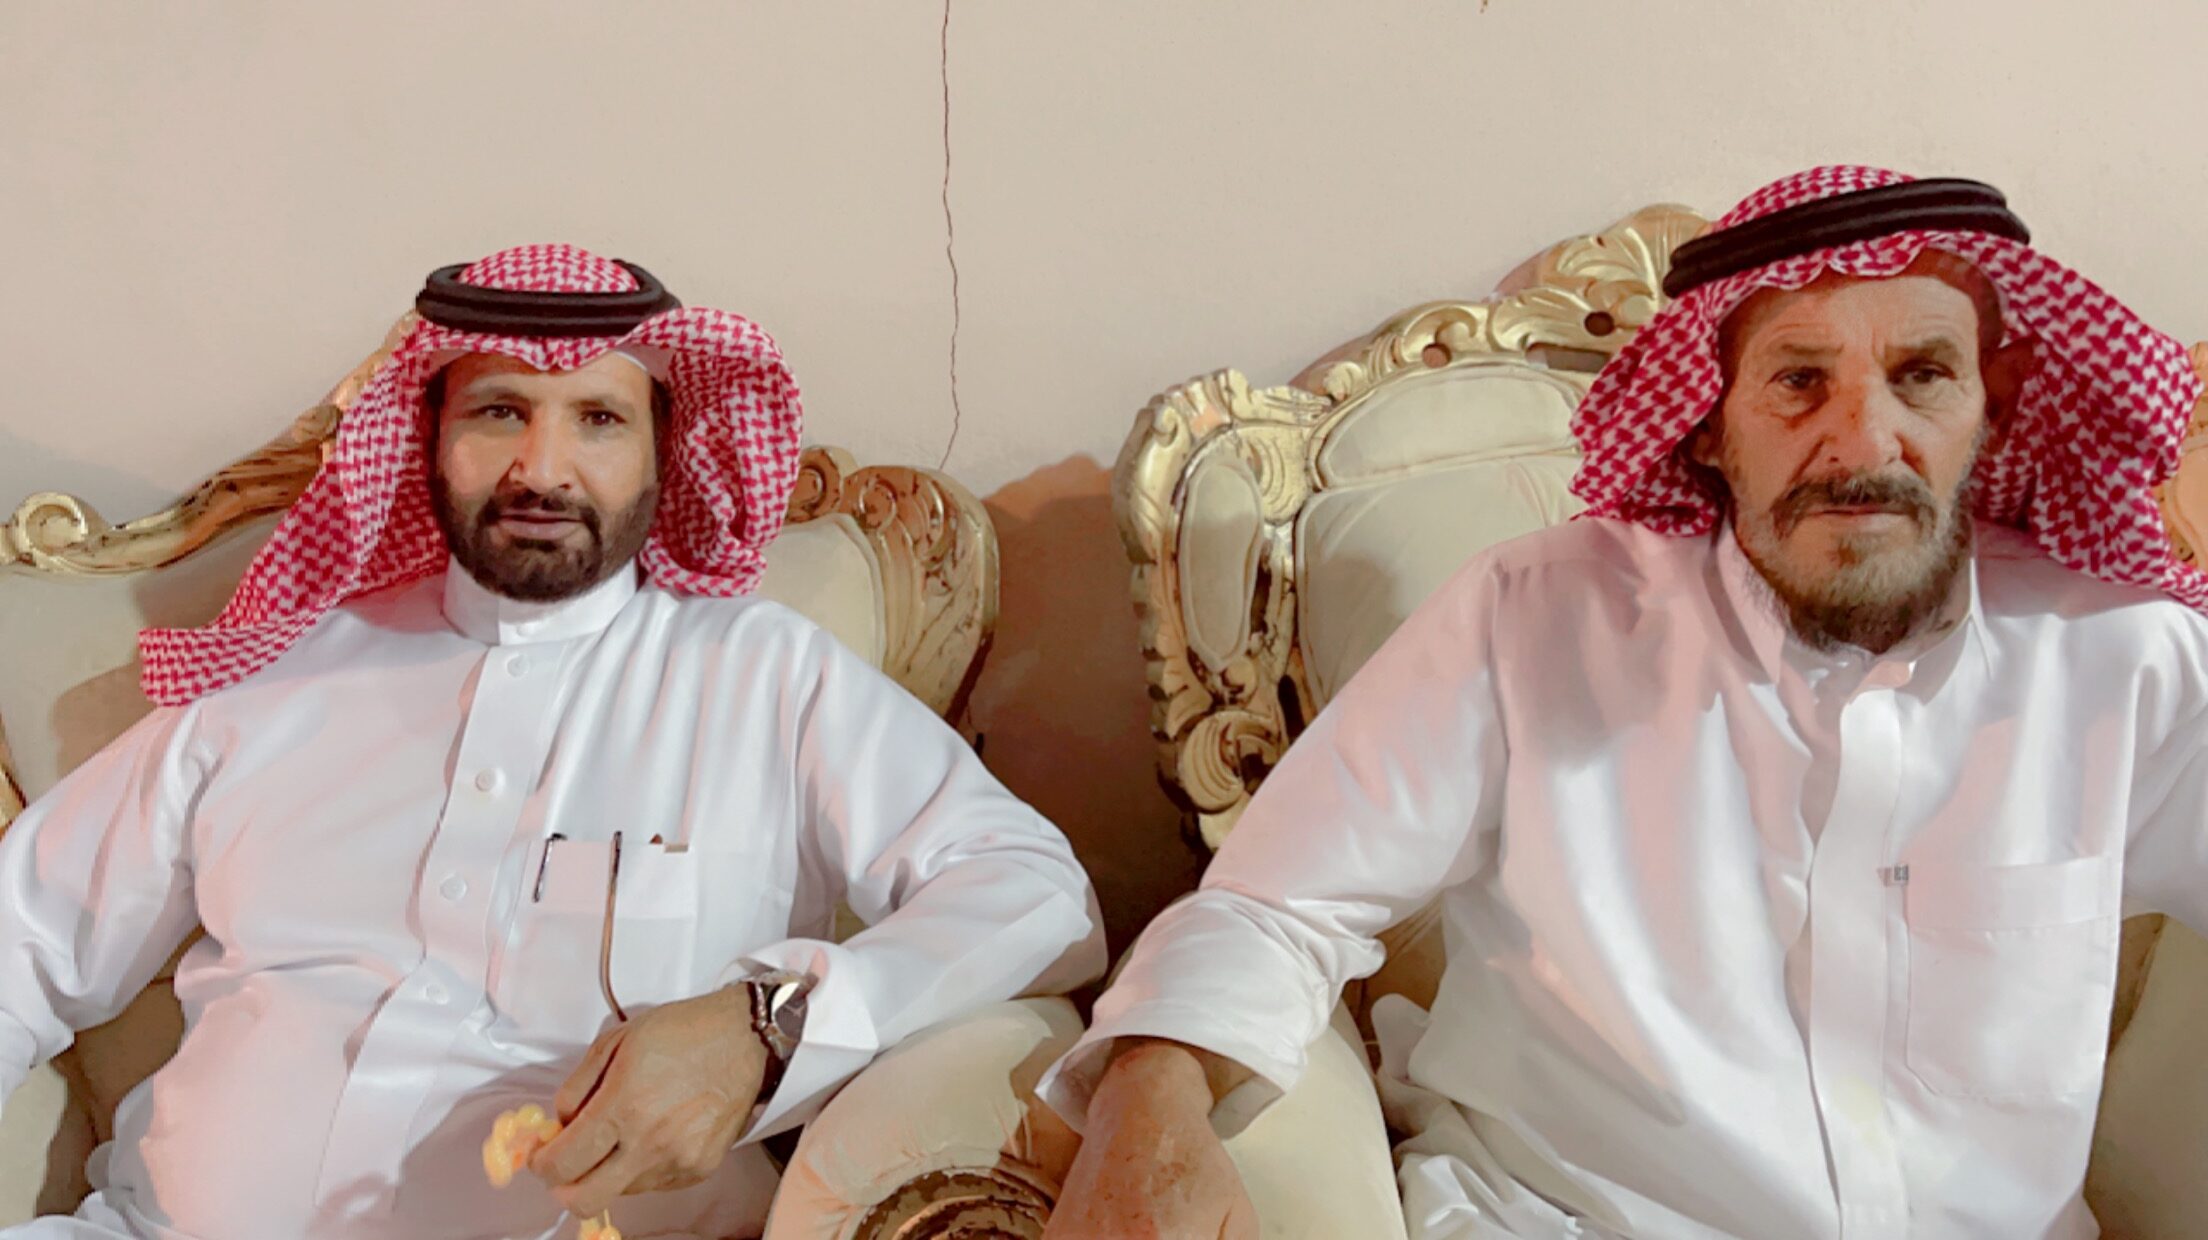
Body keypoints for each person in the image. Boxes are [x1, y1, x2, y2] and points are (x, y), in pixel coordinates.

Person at [1039, 167, 2208, 1239]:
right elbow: (1277, 907)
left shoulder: (2121, 658)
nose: (1862, 441)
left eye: (1922, 376)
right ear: (1708, 423)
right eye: (1799, 382)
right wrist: (1152, 1103)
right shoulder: (1532, 620)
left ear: (1994, 401)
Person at [0, 245, 1105, 1239]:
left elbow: (1035, 895)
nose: (543, 467)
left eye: (599, 419)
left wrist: (764, 1025)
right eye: (498, 411)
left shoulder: (765, 677)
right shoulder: (281, 673)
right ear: (429, 437)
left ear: (665, 450)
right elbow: (25, 942)